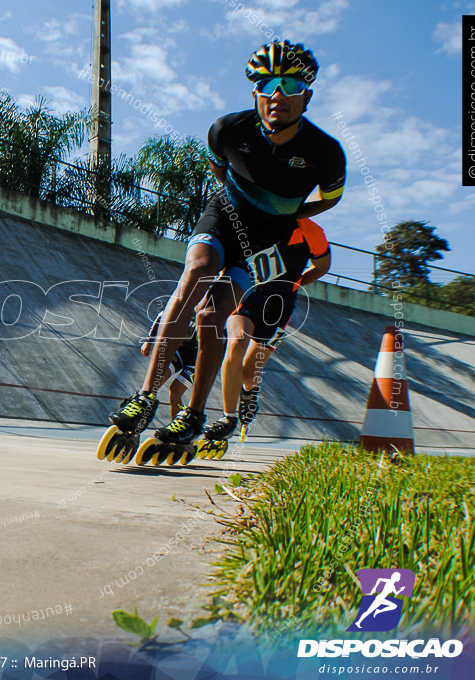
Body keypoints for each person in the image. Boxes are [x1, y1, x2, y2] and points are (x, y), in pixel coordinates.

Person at [110, 40, 346, 450]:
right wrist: (241, 206)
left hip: (262, 239)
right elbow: (219, 169)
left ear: (306, 95)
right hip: (224, 217)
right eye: (267, 83)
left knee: (214, 314)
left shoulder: (325, 153)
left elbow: (332, 197)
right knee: (197, 273)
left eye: (290, 85)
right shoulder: (227, 130)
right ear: (255, 91)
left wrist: (290, 213)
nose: (277, 94)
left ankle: (194, 415)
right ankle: (145, 397)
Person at [202, 217, 332, 443]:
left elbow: (323, 266)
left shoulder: (310, 231)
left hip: (279, 309)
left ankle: (250, 393)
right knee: (236, 342)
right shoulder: (253, 221)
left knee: (248, 372)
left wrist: (296, 284)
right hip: (247, 298)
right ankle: (228, 418)